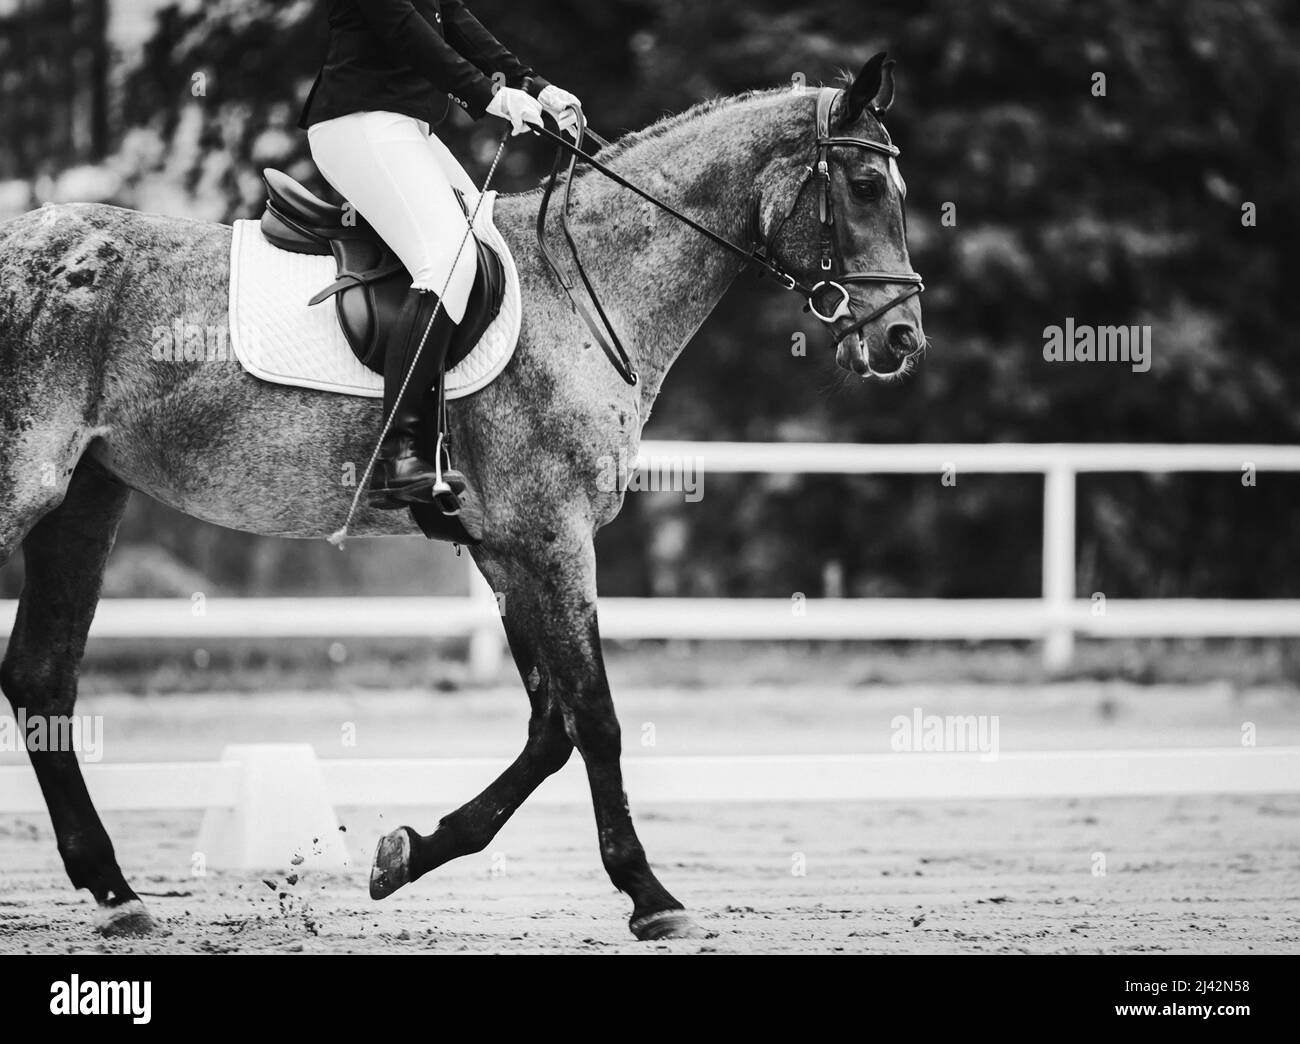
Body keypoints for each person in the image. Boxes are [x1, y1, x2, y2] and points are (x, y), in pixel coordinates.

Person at [299, 0, 582, 509]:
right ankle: (399, 454)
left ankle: (447, 436)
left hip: (408, 128)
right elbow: (405, 29)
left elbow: (452, 19)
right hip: (359, 121)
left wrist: (533, 85)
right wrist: (490, 97)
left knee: (484, 247)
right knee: (447, 258)